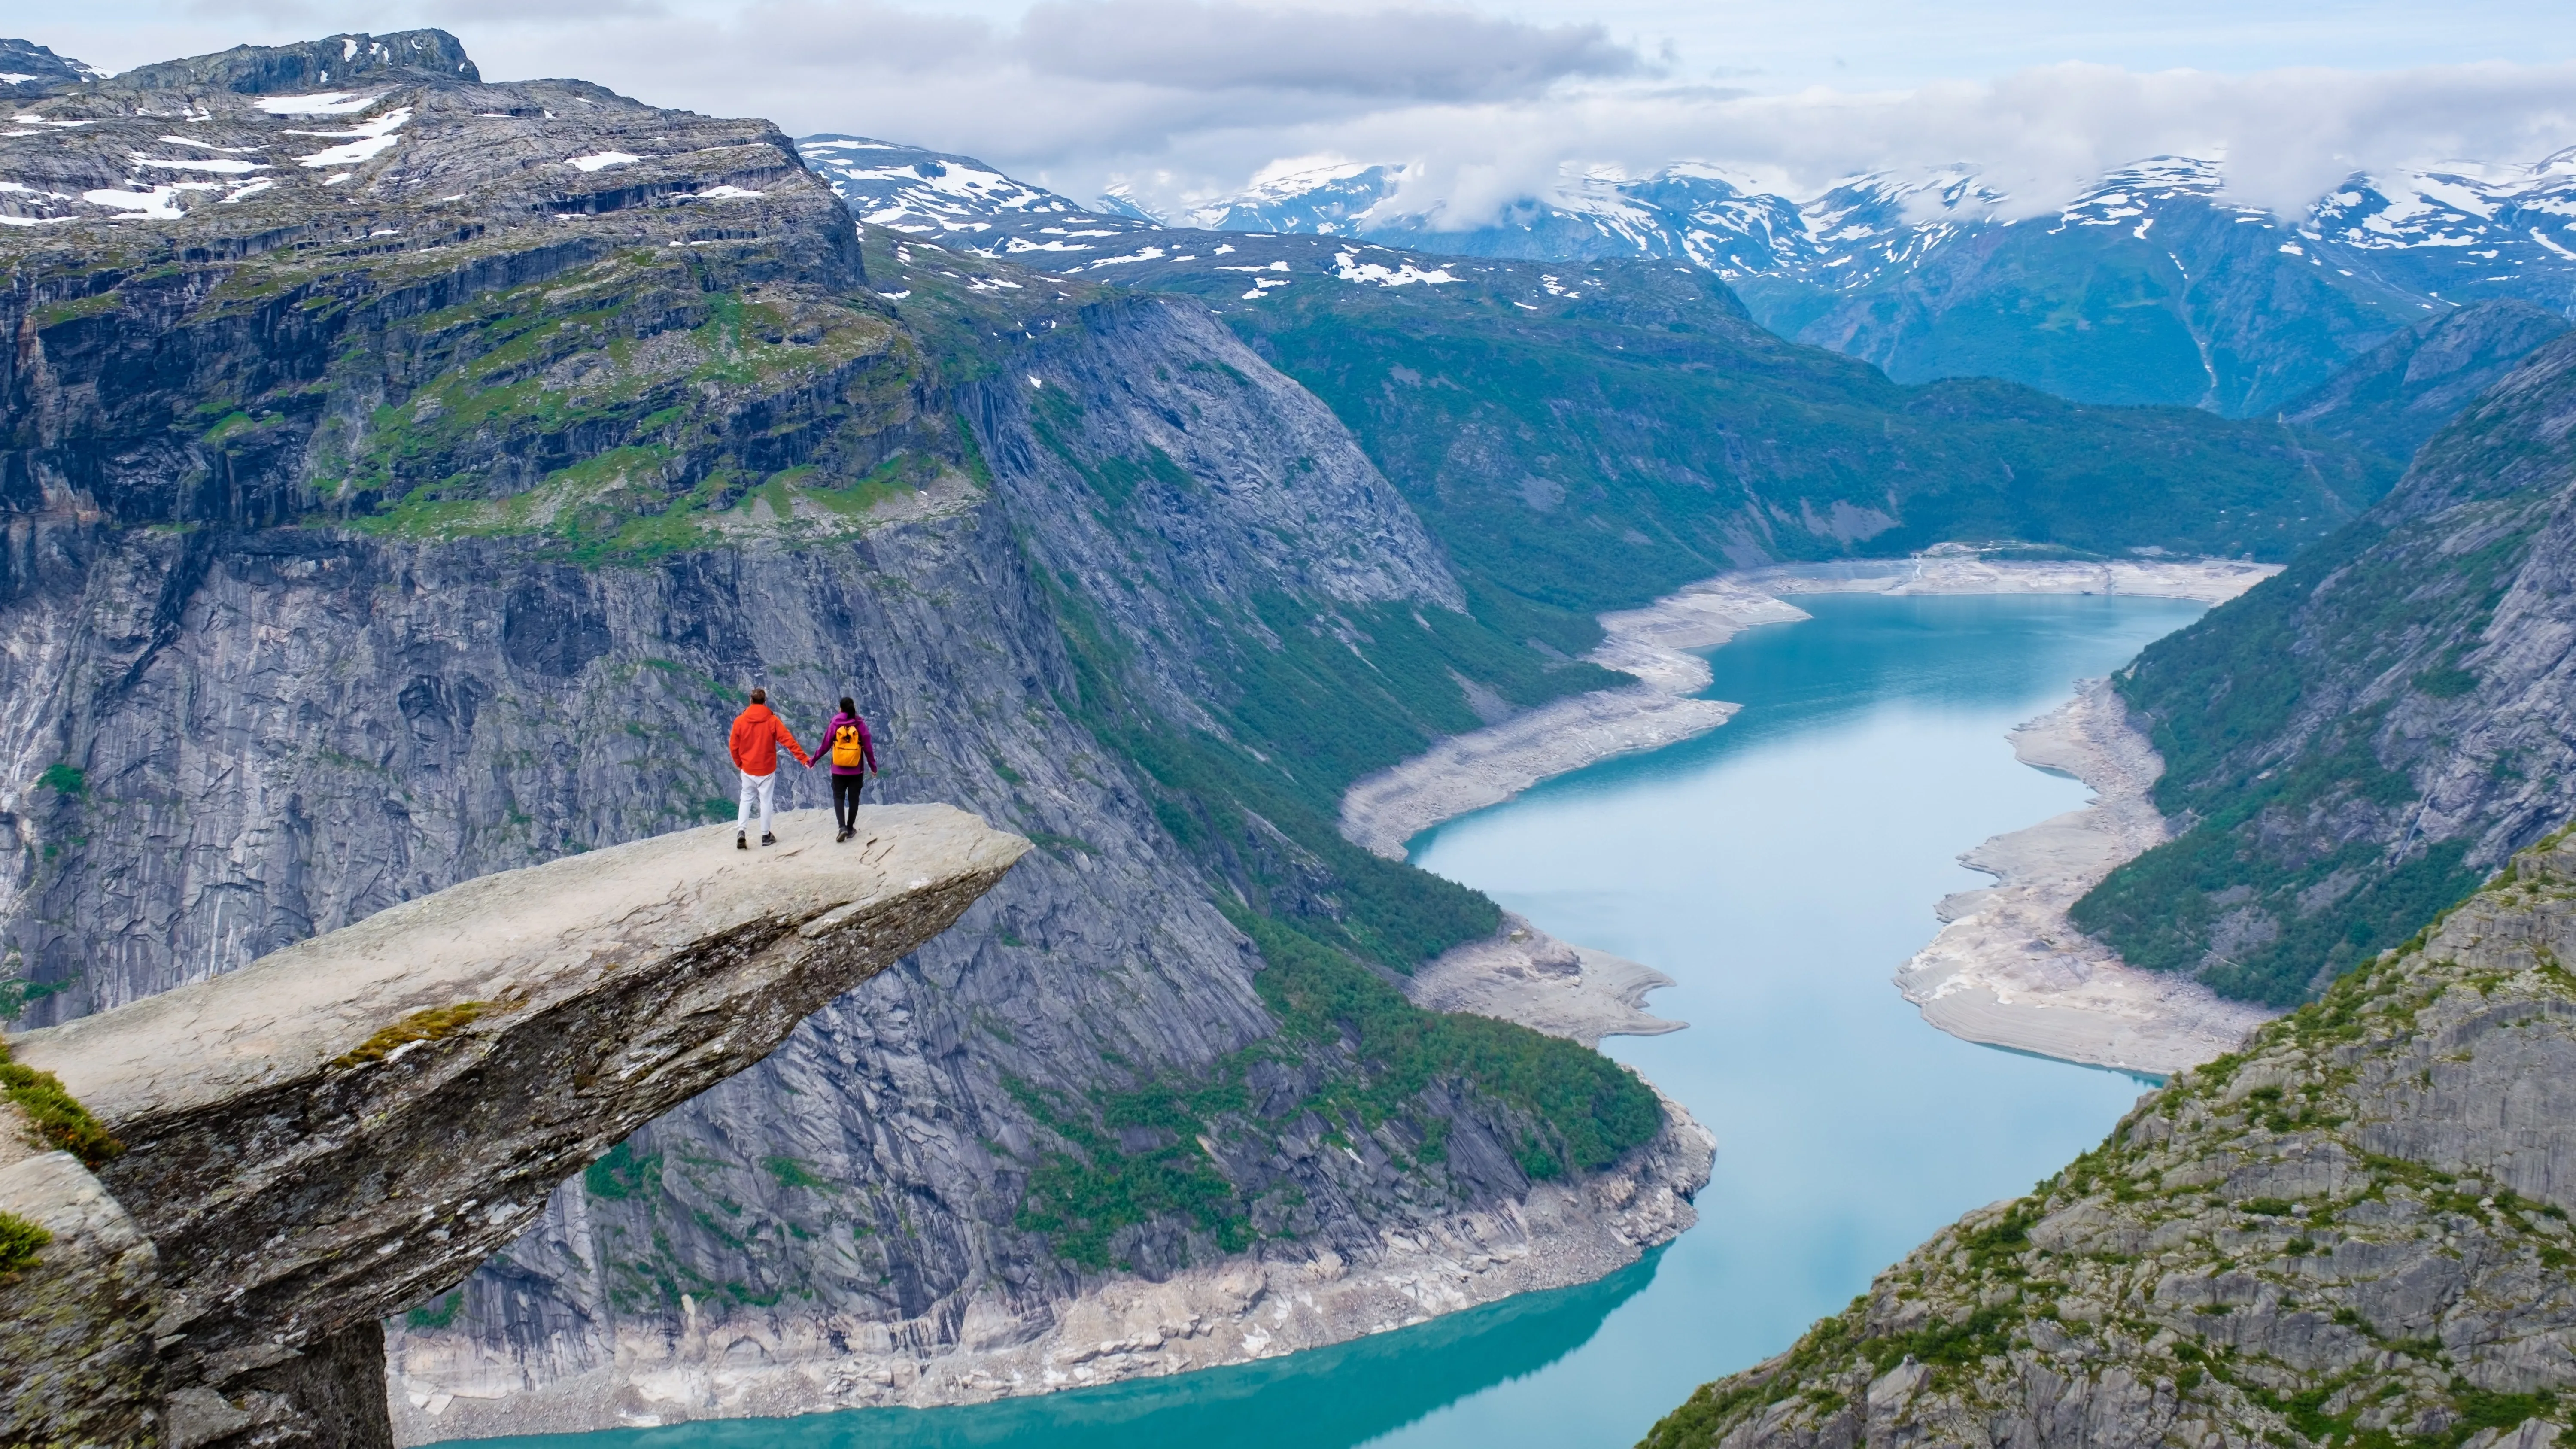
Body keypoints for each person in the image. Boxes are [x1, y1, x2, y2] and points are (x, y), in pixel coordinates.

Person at [729, 687, 811, 848]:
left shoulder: (740, 721)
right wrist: (804, 759)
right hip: (766, 769)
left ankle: (741, 832)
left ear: (750, 701)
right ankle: (766, 836)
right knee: (766, 801)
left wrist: (740, 764)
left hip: (748, 768)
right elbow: (789, 741)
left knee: (746, 799)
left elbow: (733, 747)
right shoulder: (772, 721)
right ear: (765, 702)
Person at [813, 695, 880, 842]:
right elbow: (868, 748)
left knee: (839, 797)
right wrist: (873, 767)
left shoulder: (835, 724)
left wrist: (813, 761)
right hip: (856, 770)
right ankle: (850, 829)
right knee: (854, 798)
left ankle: (842, 827)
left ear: (840, 709)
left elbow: (825, 746)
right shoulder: (860, 725)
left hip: (838, 770)